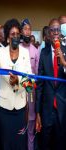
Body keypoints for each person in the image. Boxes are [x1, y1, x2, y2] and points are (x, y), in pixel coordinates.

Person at [0, 18, 32, 150]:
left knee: (19, 144)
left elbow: (30, 82)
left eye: (17, 34)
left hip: (20, 109)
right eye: (12, 34)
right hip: (4, 108)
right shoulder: (0, 53)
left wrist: (19, 82)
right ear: (8, 38)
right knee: (5, 143)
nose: (15, 37)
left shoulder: (25, 54)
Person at [36, 18, 66, 150]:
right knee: (45, 144)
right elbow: (40, 84)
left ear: (60, 33)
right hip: (47, 110)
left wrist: (63, 61)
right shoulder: (43, 53)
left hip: (63, 109)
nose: (55, 32)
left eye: (57, 30)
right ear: (48, 33)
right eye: (52, 30)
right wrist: (37, 112)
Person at [20, 18, 40, 150]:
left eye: (29, 29)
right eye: (25, 29)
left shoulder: (35, 51)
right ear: (21, 31)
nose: (28, 32)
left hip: (31, 94)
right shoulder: (17, 49)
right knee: (20, 127)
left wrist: (29, 85)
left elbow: (37, 75)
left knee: (31, 126)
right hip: (17, 94)